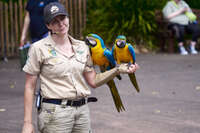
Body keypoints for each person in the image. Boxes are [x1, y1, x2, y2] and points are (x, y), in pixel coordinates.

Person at [21, 2, 139, 133]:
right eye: (54, 21)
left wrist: (117, 69)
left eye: (62, 18)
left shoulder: (82, 47)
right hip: (55, 114)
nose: (61, 24)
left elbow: (93, 80)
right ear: (48, 26)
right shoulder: (38, 48)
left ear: (68, 18)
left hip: (82, 113)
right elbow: (29, 86)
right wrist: (27, 122)